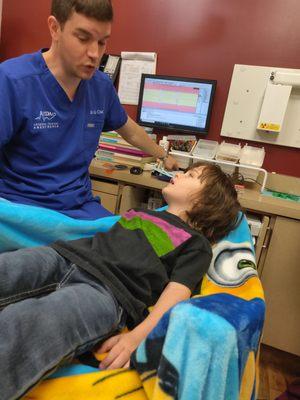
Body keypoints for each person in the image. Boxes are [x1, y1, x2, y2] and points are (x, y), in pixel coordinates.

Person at [0, 162, 241, 399]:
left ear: (205, 201)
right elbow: (88, 229)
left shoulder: (196, 244)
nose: (179, 174)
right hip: (65, 257)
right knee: (10, 267)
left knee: (30, 322)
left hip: (107, 292)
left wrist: (138, 336)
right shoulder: (139, 213)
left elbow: (176, 293)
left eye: (191, 175)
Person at [0, 0, 177, 220]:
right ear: (55, 28)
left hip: (78, 207)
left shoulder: (100, 86)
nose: (95, 54)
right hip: (22, 208)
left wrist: (164, 156)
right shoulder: (13, 80)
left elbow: (129, 129)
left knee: (134, 242)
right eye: (83, 39)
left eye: (102, 42)